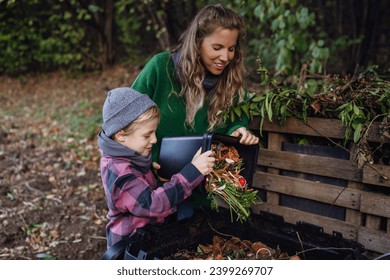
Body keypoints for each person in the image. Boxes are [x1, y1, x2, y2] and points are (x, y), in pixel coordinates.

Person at [131, 3, 259, 165]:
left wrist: (238, 129)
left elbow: (237, 121)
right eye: (217, 47)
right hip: (154, 181)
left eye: (231, 49)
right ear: (197, 43)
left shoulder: (232, 81)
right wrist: (147, 165)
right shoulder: (160, 68)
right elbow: (126, 120)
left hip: (204, 184)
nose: (225, 57)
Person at [97, 87, 215, 249]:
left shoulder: (127, 154)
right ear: (121, 135)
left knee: (187, 211)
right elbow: (151, 204)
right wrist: (192, 172)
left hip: (148, 232)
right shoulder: (119, 170)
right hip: (131, 245)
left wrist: (152, 173)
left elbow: (137, 186)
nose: (154, 140)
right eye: (147, 135)